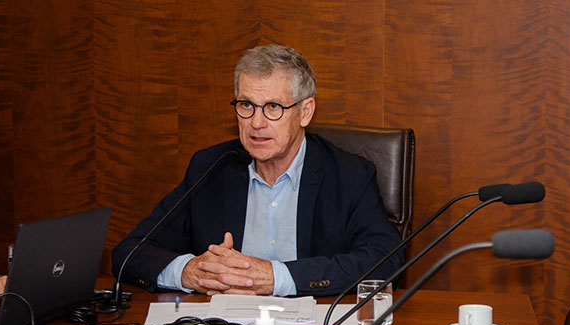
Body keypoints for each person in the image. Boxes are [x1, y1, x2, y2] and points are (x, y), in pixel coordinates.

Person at [112, 44, 405, 297]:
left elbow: (386, 260)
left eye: (273, 107)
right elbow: (130, 253)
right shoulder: (211, 167)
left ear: (305, 112)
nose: (256, 123)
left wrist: (277, 278)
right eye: (246, 105)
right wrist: (190, 272)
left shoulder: (349, 175)